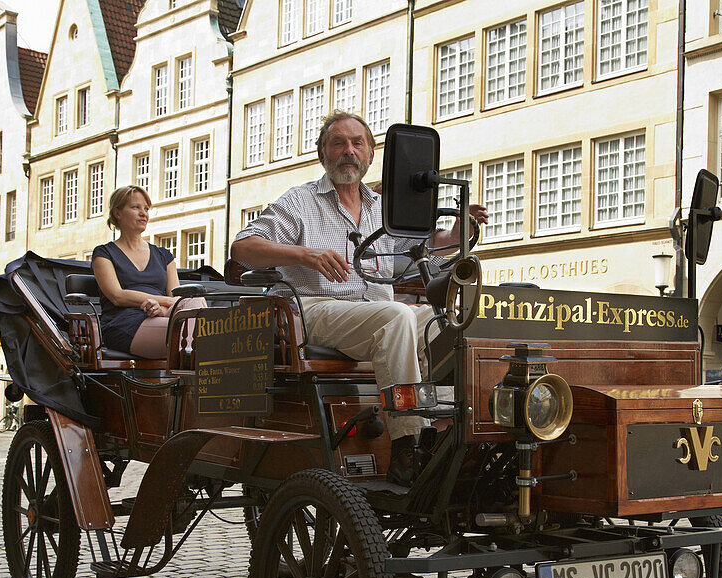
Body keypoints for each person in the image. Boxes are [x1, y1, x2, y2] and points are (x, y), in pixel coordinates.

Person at [230, 110, 487, 485]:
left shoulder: (382, 206)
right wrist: (306, 255)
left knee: (448, 322)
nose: (348, 151)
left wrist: (455, 232)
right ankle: (407, 446)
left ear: (369, 155)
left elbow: (422, 246)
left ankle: (451, 431)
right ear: (323, 154)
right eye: (338, 143)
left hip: (375, 312)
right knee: (398, 316)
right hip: (314, 308)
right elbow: (242, 247)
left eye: (357, 143)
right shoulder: (301, 201)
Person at [92, 185, 206, 359]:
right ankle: (199, 360)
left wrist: (160, 307)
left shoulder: (163, 255)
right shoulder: (104, 253)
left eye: (146, 208)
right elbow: (117, 296)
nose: (143, 213)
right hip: (125, 323)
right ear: (117, 213)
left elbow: (177, 295)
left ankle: (195, 359)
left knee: (193, 298)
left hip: (162, 313)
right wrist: (164, 301)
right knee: (195, 336)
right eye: (135, 207)